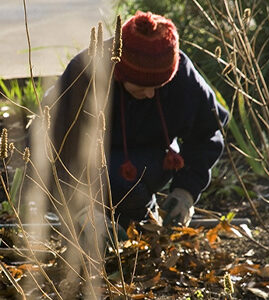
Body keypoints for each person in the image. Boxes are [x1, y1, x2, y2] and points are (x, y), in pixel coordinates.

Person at [41, 11, 229, 234]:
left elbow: (207, 134)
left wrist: (186, 191)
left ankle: (140, 213)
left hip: (152, 160)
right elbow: (48, 143)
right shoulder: (87, 73)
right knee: (109, 189)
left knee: (129, 195)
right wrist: (79, 209)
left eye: (158, 87)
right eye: (140, 86)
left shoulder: (183, 78)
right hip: (91, 165)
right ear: (120, 71)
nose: (150, 94)